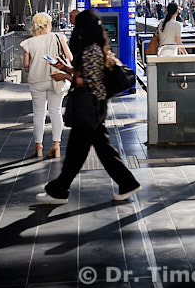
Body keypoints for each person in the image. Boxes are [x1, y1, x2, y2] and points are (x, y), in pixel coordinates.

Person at [36, 10, 141, 204]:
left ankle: (60, 190)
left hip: (90, 106)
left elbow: (91, 81)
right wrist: (66, 68)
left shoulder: (92, 50)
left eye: (78, 27)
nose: (77, 31)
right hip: (93, 107)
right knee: (91, 151)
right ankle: (126, 183)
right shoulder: (97, 47)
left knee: (83, 153)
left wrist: (67, 76)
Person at [20, 12, 73, 158]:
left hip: (36, 80)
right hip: (56, 79)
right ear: (48, 24)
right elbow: (69, 57)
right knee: (55, 112)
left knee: (39, 113)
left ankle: (39, 146)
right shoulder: (58, 37)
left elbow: (25, 64)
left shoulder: (29, 42)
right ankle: (56, 146)